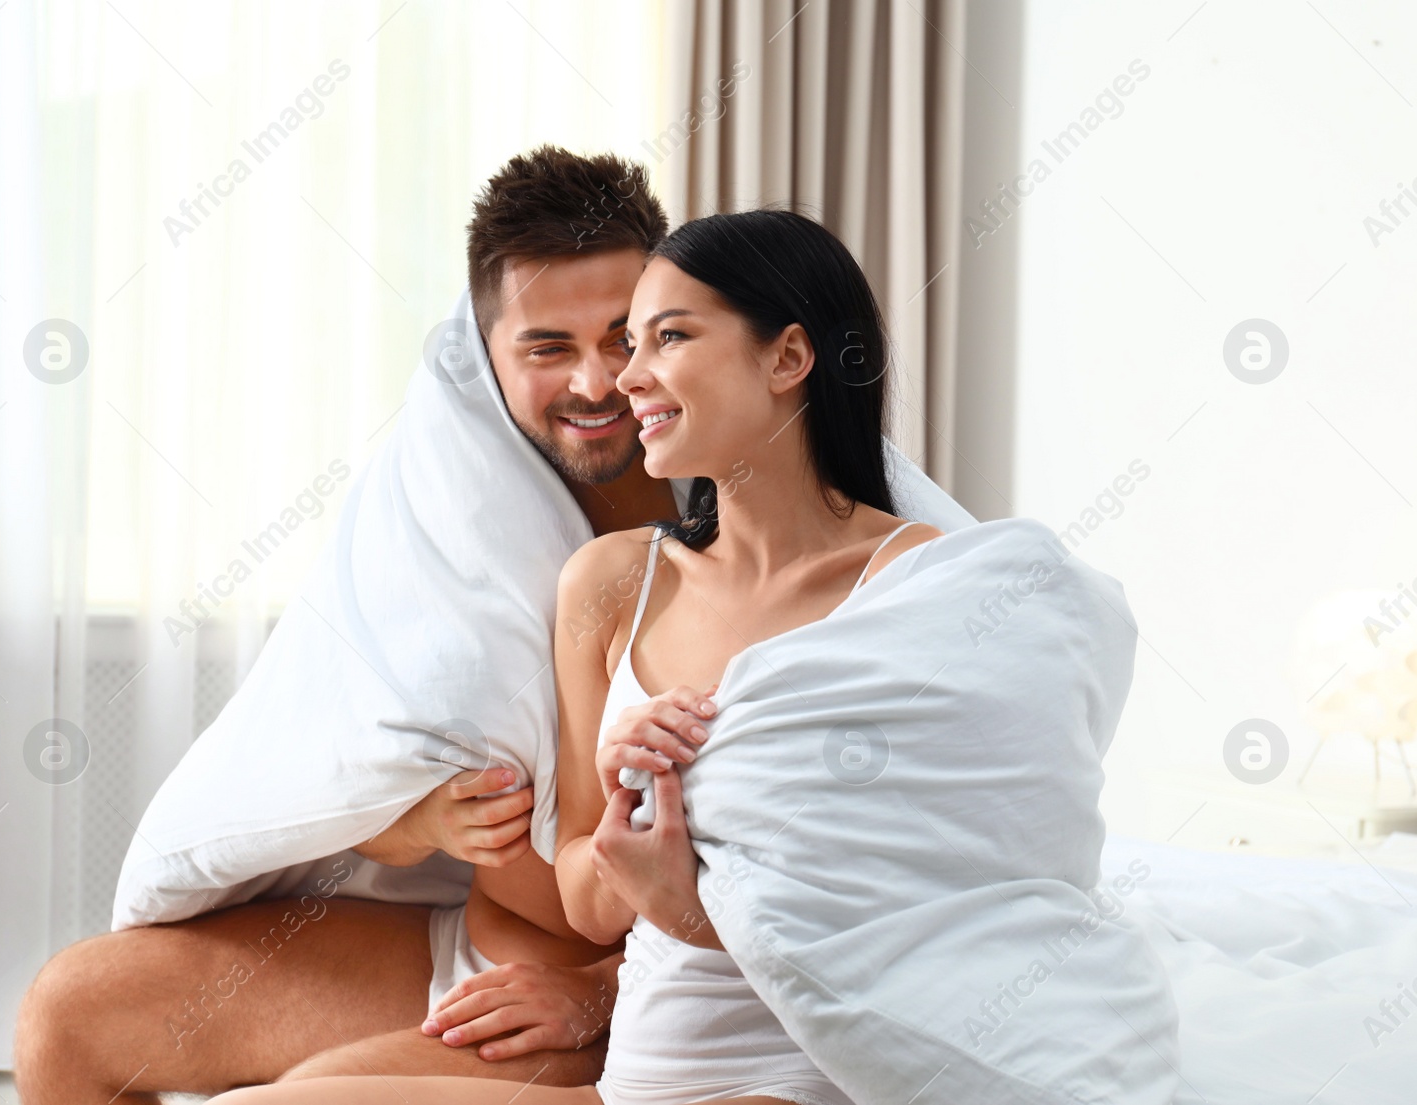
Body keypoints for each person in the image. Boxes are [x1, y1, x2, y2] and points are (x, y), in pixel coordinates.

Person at [203, 210, 940, 1105]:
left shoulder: (914, 579)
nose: (624, 378)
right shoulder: (611, 580)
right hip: (633, 1078)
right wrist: (625, 797)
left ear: (788, 359)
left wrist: (680, 909)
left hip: (790, 1073)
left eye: (662, 338)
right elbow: (587, 896)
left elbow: (926, 883)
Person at [13, 147, 683, 1105]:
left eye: (625, 337)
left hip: (604, 990)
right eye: (547, 347)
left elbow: (813, 846)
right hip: (464, 933)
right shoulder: (450, 496)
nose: (595, 380)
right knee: (68, 1015)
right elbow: (349, 734)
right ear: (485, 350)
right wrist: (404, 818)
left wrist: (600, 991)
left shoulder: (736, 509)